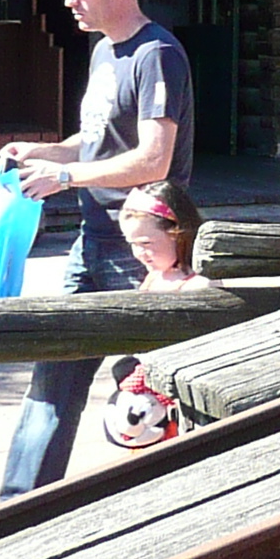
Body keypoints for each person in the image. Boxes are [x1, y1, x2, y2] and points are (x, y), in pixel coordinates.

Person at [0, 0, 197, 497]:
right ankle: (17, 510)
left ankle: (162, 506)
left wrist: (66, 178)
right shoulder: (105, 50)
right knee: (55, 369)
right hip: (94, 239)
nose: (69, 2)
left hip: (144, 247)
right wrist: (45, 152)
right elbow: (102, 138)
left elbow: (153, 158)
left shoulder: (158, 54)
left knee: (145, 392)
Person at [99, 184, 204, 450]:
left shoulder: (196, 286)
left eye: (146, 244)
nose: (138, 253)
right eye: (132, 244)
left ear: (178, 234)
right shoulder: (156, 276)